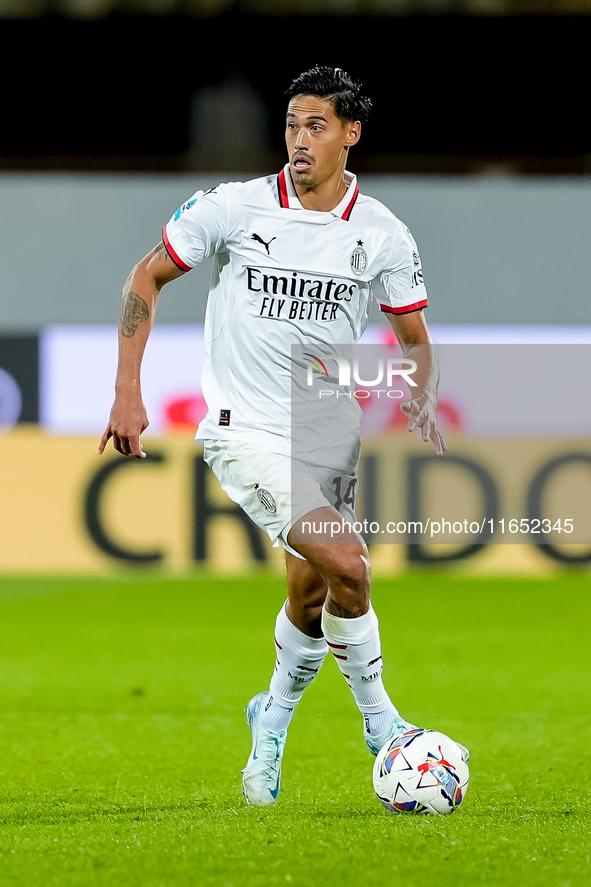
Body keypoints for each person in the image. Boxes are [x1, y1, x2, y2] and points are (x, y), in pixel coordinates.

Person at [99, 65, 467, 807]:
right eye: (293, 125)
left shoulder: (382, 233)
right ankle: (380, 722)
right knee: (350, 566)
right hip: (246, 428)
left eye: (317, 126)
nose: (300, 140)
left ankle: (269, 719)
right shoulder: (231, 209)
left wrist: (417, 390)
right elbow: (146, 277)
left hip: (326, 426)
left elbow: (412, 334)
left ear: (350, 133)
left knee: (311, 592)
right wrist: (127, 392)